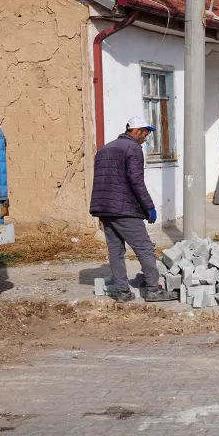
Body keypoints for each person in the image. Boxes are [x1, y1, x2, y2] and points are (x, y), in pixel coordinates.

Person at [90, 116, 176, 303]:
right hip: (124, 209)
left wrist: (100, 210)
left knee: (115, 250)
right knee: (144, 248)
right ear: (135, 131)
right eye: (145, 133)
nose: (146, 138)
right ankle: (154, 290)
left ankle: (123, 292)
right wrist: (149, 207)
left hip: (104, 209)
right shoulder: (133, 148)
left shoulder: (104, 149)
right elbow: (136, 181)